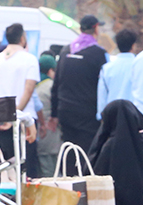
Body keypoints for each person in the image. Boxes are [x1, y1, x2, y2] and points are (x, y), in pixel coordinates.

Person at [0, 23, 41, 176]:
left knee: (3, 169)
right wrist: (14, 116)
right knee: (27, 168)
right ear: (23, 38)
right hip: (24, 122)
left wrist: (1, 115)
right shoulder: (30, 60)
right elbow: (28, 90)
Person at [51, 14, 108, 155]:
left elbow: (56, 84)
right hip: (88, 113)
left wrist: (54, 114)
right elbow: (105, 85)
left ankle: (71, 176)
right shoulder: (99, 53)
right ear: (95, 28)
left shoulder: (66, 50)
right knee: (88, 152)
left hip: (65, 111)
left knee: (70, 150)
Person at [97, 29, 138, 120]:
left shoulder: (106, 68)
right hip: (135, 116)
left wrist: (101, 117)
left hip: (112, 117)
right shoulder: (140, 66)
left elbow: (102, 97)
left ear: (117, 45)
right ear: (133, 45)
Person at [35, 54, 60, 177]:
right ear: (51, 70)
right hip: (53, 136)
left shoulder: (34, 86)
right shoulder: (51, 86)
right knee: (55, 174)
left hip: (40, 137)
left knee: (45, 173)